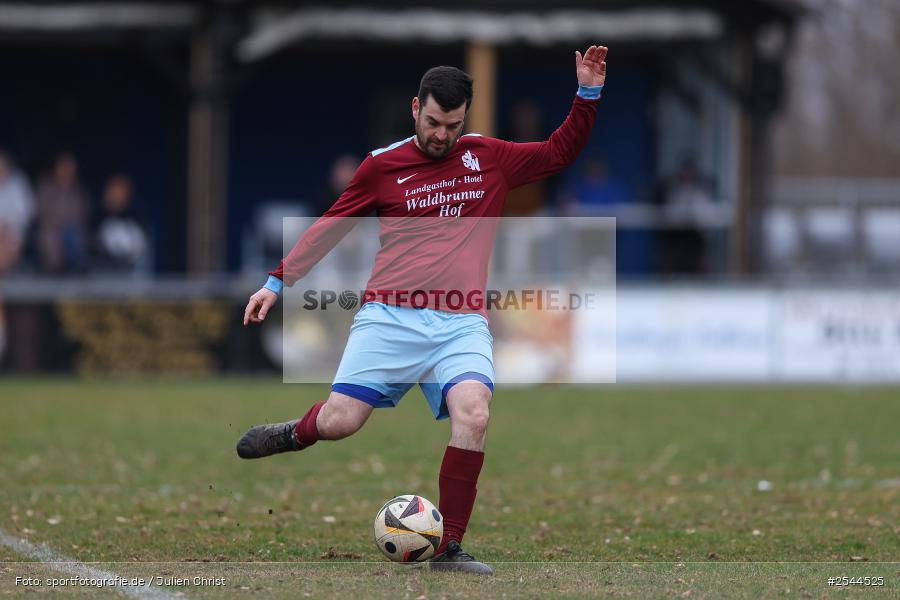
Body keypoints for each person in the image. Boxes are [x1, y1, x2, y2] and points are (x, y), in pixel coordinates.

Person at [238, 45, 609, 574]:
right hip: (389, 316)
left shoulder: (488, 157)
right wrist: (277, 280)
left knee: (474, 413)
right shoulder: (382, 166)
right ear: (416, 108)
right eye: (433, 122)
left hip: (460, 322)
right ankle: (295, 433)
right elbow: (332, 224)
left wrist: (588, 93)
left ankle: (449, 546)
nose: (442, 135)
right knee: (342, 422)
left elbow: (558, 153)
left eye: (452, 125)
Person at [35, 152, 91, 274]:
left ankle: (78, 266)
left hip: (73, 228)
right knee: (52, 238)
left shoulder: (78, 188)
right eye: (63, 166)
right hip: (51, 227)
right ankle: (56, 267)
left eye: (70, 167)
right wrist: (59, 219)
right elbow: (43, 210)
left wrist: (69, 219)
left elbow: (84, 210)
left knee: (73, 232)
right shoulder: (46, 186)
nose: (67, 170)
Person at [93, 174, 148, 272]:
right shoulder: (98, 218)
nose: (116, 197)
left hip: (129, 270)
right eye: (113, 193)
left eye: (120, 194)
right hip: (104, 271)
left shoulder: (134, 219)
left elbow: (139, 248)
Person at [0, 150, 35, 274]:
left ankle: (5, 275)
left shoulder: (18, 183)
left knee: (9, 242)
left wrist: (8, 224)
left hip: (14, 229)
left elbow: (27, 211)